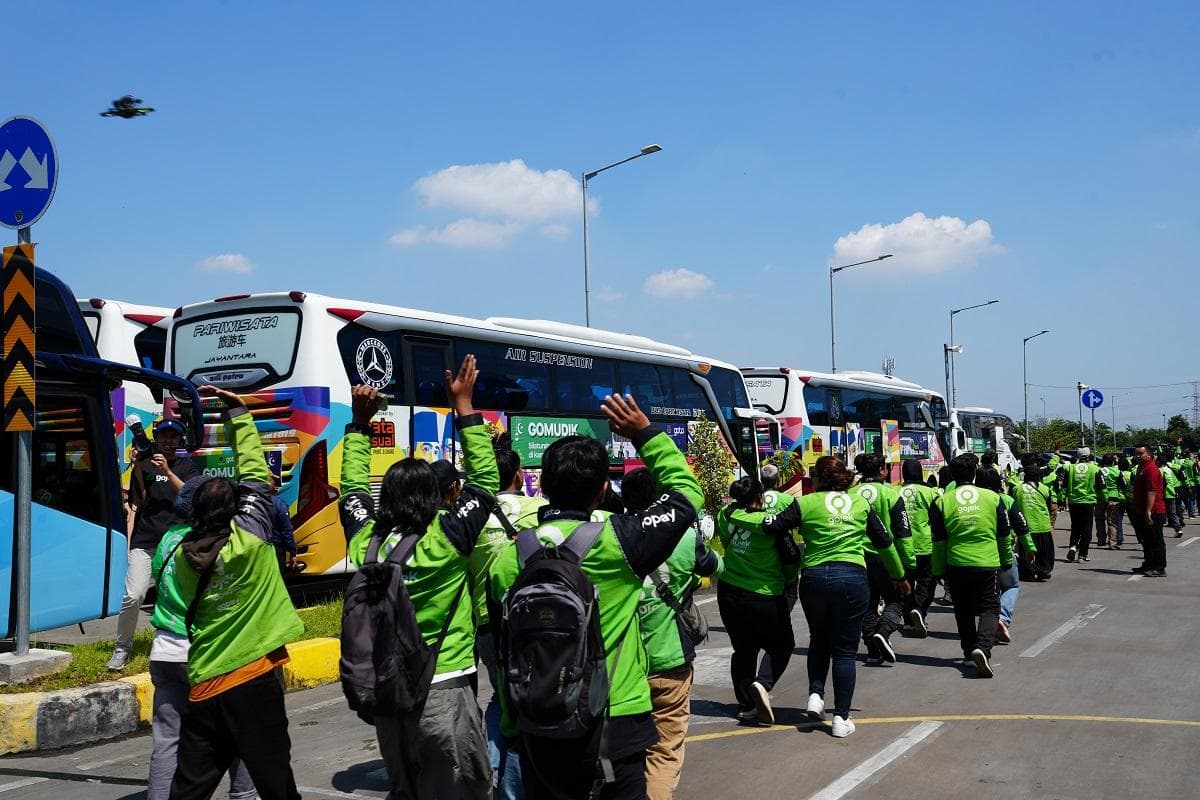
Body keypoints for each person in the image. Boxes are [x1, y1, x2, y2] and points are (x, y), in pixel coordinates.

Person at [488, 392, 702, 800]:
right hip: (614, 720)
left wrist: (514, 726)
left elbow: (503, 650)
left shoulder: (510, 556)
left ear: (544, 485)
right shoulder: (620, 542)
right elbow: (687, 496)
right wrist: (646, 435)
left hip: (537, 721)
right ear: (604, 489)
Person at [340, 357, 497, 800]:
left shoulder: (363, 545)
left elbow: (351, 491)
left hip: (388, 694)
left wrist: (358, 426)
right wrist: (464, 407)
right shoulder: (446, 539)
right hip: (445, 688)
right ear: (437, 497)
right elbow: (485, 482)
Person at [168, 386, 305, 800]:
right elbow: (255, 475)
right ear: (234, 509)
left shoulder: (178, 554)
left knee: (189, 787)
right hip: (252, 678)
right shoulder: (251, 536)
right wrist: (239, 413)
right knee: (277, 782)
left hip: (205, 680)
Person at [745, 456, 908, 738]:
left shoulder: (805, 503)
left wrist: (739, 512)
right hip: (852, 578)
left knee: (819, 639)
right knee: (845, 650)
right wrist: (899, 576)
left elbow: (771, 526)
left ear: (818, 479)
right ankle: (841, 717)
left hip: (814, 579)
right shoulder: (860, 504)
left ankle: (815, 696)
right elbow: (885, 543)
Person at [629, 468, 722, 800]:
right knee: (664, 750)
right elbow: (715, 567)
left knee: (624, 755)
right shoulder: (683, 537)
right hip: (670, 661)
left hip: (623, 669)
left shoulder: (605, 537)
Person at [147, 515, 255, 800]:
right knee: (238, 731)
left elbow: (157, 576)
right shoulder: (224, 544)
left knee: (167, 740)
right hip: (208, 653)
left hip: (165, 651)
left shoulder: (169, 538)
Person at [471, 448, 545, 800]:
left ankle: (492, 774)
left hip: (487, 624)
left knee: (503, 700)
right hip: (533, 622)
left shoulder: (471, 519)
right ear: (518, 474)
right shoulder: (538, 510)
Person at [108, 418, 200, 671]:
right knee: (133, 595)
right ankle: (122, 648)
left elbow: (192, 495)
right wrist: (137, 466)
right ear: (155, 438)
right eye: (163, 436)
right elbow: (138, 500)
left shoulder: (188, 467)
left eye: (173, 436)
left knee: (179, 597)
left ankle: (183, 643)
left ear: (181, 440)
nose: (168, 440)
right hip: (146, 540)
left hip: (176, 542)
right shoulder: (146, 464)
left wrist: (168, 473)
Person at [715, 475, 798, 724]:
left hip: (729, 591)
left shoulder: (724, 515)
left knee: (743, 649)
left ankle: (746, 705)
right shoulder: (769, 523)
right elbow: (790, 559)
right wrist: (791, 581)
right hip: (765, 593)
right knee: (782, 644)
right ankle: (762, 684)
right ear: (760, 497)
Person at [931, 453, 1011, 678]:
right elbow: (1004, 534)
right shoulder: (992, 498)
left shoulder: (941, 502)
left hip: (956, 563)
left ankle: (968, 653)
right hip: (987, 562)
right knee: (989, 607)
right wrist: (1006, 560)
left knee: (963, 610)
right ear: (975, 472)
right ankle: (983, 648)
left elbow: (938, 541)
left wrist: (938, 570)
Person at [851, 454, 913, 664]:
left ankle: (872, 650)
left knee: (868, 604)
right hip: (886, 556)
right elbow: (903, 532)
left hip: (858, 558)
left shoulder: (850, 494)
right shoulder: (892, 494)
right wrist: (908, 563)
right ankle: (883, 632)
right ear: (881, 471)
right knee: (896, 599)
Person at [977, 468, 1035, 644]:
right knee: (1011, 586)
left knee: (986, 593)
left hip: (978, 555)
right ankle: (1002, 618)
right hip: (1003, 553)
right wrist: (1030, 548)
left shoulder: (972, 500)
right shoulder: (1007, 500)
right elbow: (1021, 526)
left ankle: (986, 626)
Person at [899, 459, 939, 636]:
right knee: (926, 583)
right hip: (925, 545)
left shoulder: (895, 492)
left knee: (906, 584)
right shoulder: (930, 492)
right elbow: (938, 518)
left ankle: (908, 620)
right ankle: (919, 610)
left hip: (901, 546)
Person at [1060, 447, 1104, 563]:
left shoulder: (1070, 468)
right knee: (1086, 528)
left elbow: (1063, 486)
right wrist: (1103, 500)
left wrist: (1063, 500)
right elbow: (1101, 487)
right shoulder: (1094, 468)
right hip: (1088, 502)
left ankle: (1073, 546)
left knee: (1075, 526)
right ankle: (1082, 555)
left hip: (1073, 502)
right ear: (1089, 456)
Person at [1015, 459, 1055, 581]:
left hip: (1024, 527)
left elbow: (1014, 506)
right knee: (1044, 552)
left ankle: (1027, 573)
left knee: (1024, 552)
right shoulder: (1044, 489)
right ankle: (1042, 570)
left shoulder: (1017, 489)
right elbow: (1049, 507)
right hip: (1042, 526)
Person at [1131, 446, 1166, 576]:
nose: (1138, 456)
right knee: (1147, 540)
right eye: (1136, 454)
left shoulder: (1151, 469)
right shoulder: (1142, 467)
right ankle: (1149, 564)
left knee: (1156, 539)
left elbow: (1152, 491)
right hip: (1142, 509)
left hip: (1154, 510)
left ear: (1149, 454)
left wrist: (1148, 511)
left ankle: (1160, 567)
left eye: (1141, 453)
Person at [268, 471, 298, 572]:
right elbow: (286, 530)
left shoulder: (246, 502)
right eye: (272, 480)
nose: (274, 483)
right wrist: (292, 552)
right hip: (274, 549)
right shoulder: (278, 504)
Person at [1157, 453, 1185, 536]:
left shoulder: (1159, 471)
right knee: (1172, 513)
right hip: (1171, 493)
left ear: (1159, 462)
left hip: (1162, 494)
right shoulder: (1169, 470)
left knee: (1160, 513)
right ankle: (1178, 529)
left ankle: (1158, 530)